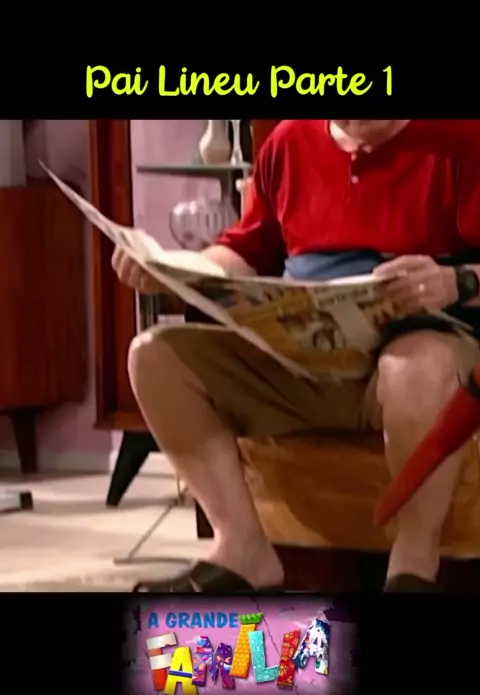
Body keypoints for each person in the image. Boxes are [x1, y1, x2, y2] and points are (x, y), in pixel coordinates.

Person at [112, 119, 480, 593]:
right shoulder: (288, 142)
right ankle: (241, 548)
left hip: (415, 355)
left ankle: (413, 565)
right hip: (299, 360)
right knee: (154, 357)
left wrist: (457, 282)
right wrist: (173, 269)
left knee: (416, 366)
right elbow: (245, 251)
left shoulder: (461, 138)